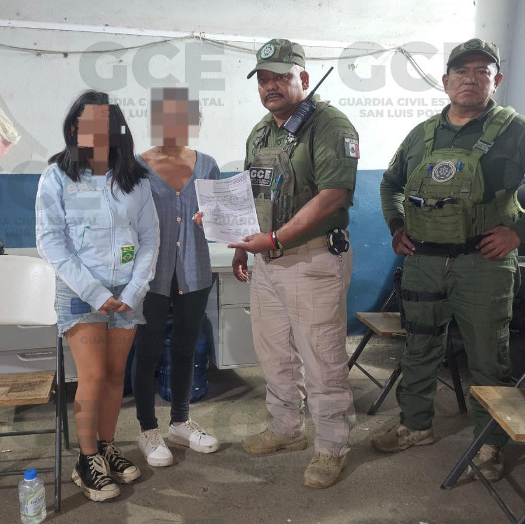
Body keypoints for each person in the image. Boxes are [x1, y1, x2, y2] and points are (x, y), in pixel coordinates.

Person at [372, 38, 525, 482]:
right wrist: (396, 225)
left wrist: (518, 233)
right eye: (461, 71)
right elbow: (390, 183)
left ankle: (490, 443)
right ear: (446, 80)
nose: (471, 78)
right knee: (419, 346)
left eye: (482, 71)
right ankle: (415, 424)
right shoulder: (422, 134)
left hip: (482, 264)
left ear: (495, 80)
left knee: (488, 356)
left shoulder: (518, 131)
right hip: (424, 260)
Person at [228, 38, 360, 489]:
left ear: (303, 77)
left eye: (280, 77)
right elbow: (254, 193)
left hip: (313, 259)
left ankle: (332, 446)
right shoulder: (260, 132)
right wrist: (244, 244)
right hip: (267, 262)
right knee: (274, 353)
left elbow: (333, 196)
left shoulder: (329, 125)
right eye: (263, 79)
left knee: (322, 358)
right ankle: (286, 428)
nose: (270, 86)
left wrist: (276, 238)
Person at [35, 90, 160, 501]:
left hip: (126, 294)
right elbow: (51, 240)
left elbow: (149, 238)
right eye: (84, 123)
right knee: (91, 375)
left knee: (113, 376)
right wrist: (93, 291)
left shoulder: (135, 179)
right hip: (80, 292)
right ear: (74, 128)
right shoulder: (58, 176)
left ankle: (106, 447)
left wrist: (135, 288)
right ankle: (86, 460)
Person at [133, 87, 220, 467]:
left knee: (185, 346)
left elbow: (219, 217)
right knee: (148, 350)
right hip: (150, 274)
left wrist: (211, 220)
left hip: (194, 269)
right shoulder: (135, 167)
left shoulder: (208, 165)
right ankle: (147, 430)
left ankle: (180, 422)